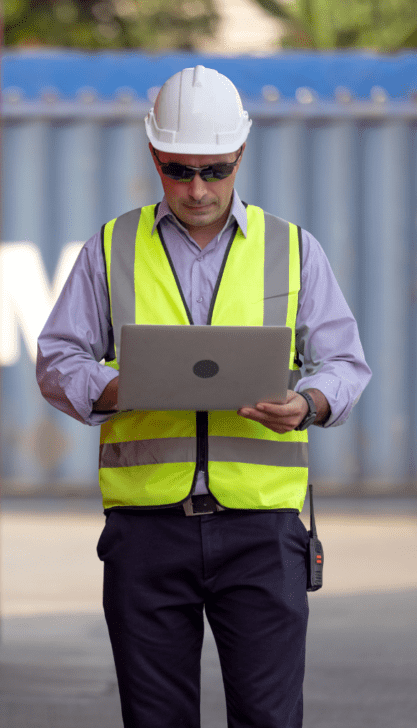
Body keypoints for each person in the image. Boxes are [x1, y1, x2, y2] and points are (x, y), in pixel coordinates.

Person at [36, 65, 371, 728]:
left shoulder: (293, 249)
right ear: (153, 156)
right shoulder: (110, 248)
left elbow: (345, 364)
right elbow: (57, 357)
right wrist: (113, 386)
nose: (196, 189)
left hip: (263, 531)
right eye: (177, 169)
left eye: (214, 170)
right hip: (145, 532)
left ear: (240, 155)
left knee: (269, 719)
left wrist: (307, 404)